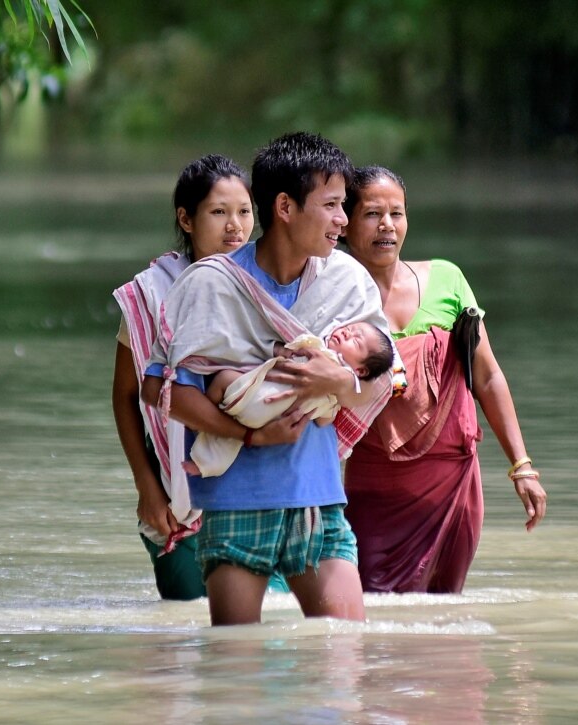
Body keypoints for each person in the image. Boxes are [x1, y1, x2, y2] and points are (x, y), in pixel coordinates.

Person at [140, 132, 394, 625]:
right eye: (332, 205)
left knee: (345, 659)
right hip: (237, 505)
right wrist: (250, 434)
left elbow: (382, 380)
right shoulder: (212, 283)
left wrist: (336, 381)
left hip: (319, 500)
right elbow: (165, 390)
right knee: (236, 679)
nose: (344, 220)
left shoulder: (347, 282)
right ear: (284, 207)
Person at [341, 166, 548, 594]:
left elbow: (487, 377)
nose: (387, 226)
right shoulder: (333, 297)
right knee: (374, 606)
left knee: (444, 611)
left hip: (453, 480)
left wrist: (521, 466)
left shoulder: (447, 280)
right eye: (372, 214)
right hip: (376, 483)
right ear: (344, 224)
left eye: (396, 214)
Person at [111, 154, 256, 601]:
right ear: (186, 219)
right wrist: (147, 488)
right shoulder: (152, 292)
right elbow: (125, 396)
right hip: (175, 502)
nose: (234, 226)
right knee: (186, 636)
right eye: (219, 212)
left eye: (244, 212)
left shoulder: (267, 286)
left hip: (255, 488)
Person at [169, 321, 394, 477]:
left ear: (361, 371)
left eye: (356, 341)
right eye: (350, 329)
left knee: (223, 380)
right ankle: (203, 466)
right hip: (269, 419)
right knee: (233, 442)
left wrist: (283, 349)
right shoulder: (334, 396)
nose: (347, 333)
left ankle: (201, 421)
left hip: (250, 393)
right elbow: (324, 420)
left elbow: (300, 344)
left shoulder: (321, 353)